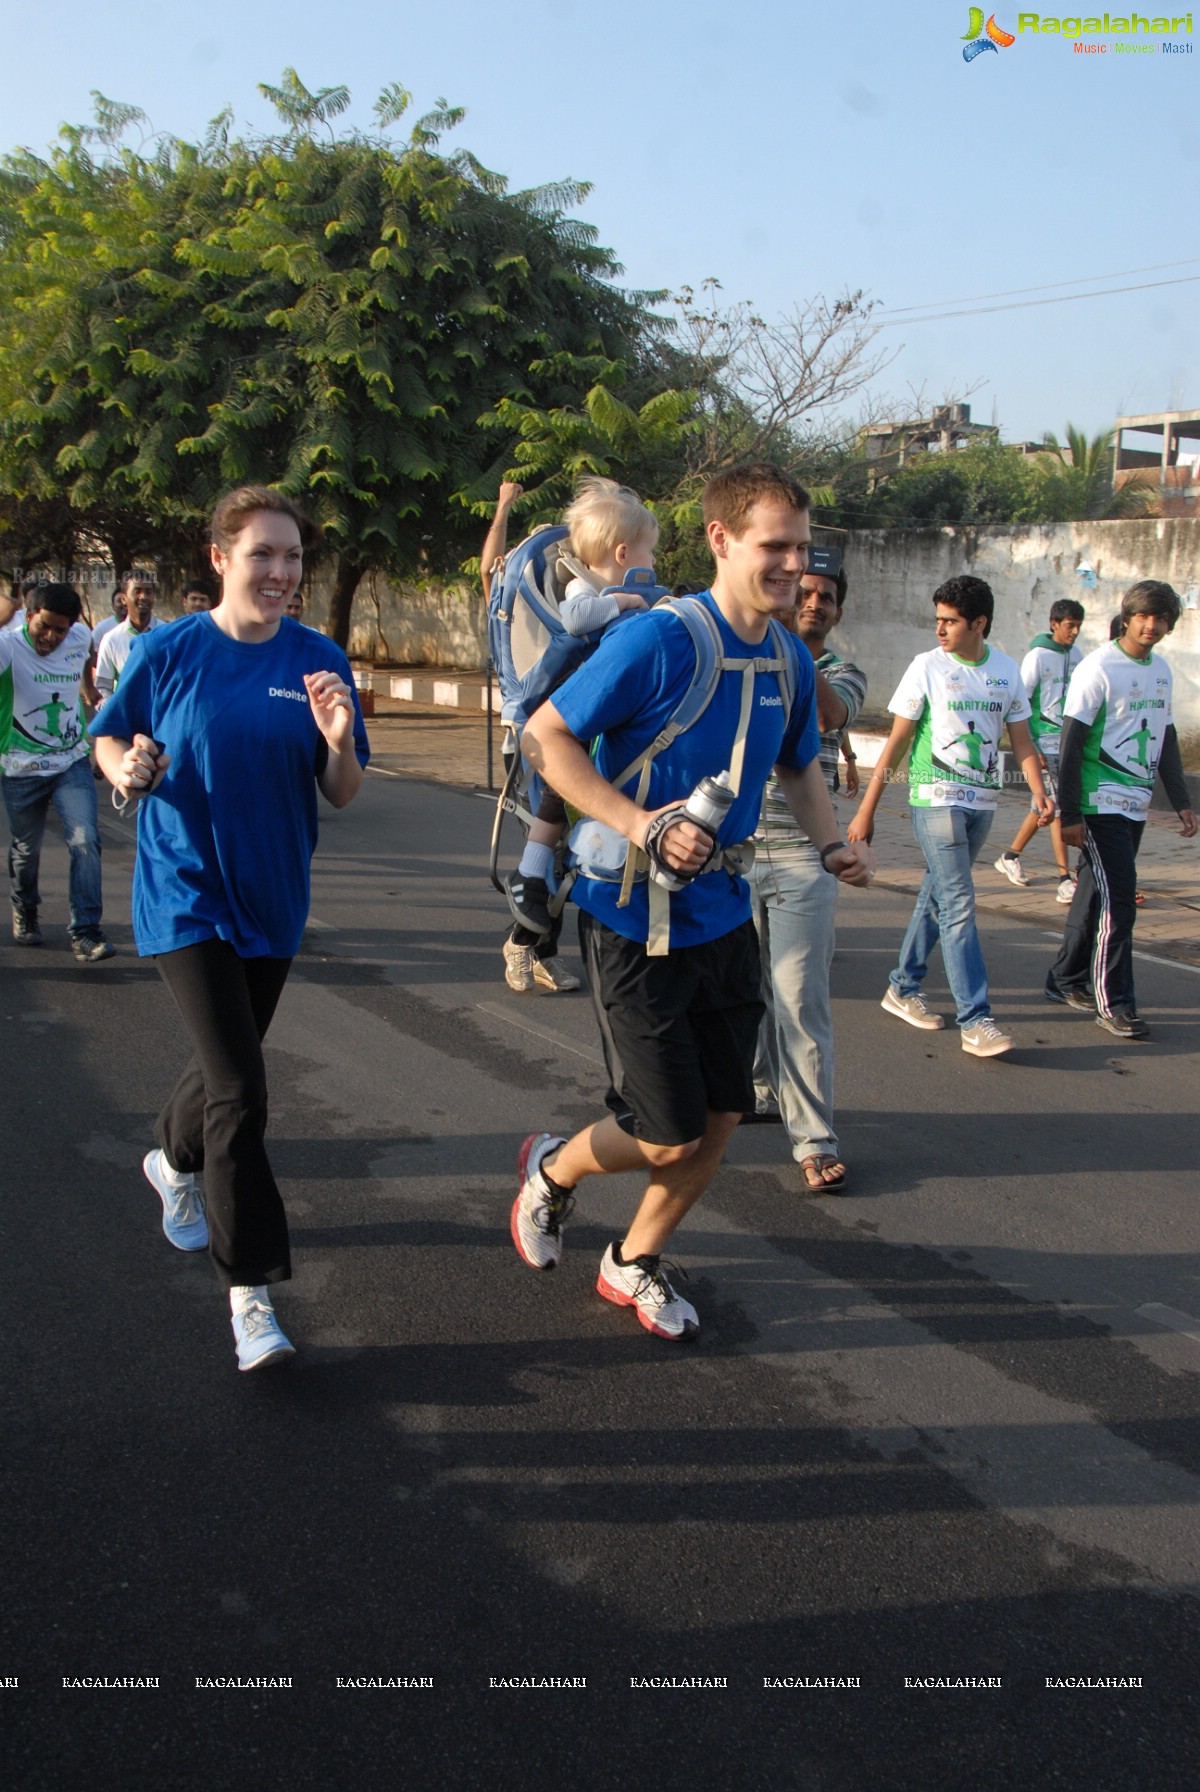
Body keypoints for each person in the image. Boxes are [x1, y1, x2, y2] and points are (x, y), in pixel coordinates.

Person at [511, 464, 874, 1340]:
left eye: (801, 547)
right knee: (668, 1134)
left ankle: (632, 1260)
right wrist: (639, 822)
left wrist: (830, 844)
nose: (793, 566)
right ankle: (555, 1168)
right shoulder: (661, 640)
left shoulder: (789, 654)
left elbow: (795, 763)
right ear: (720, 539)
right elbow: (545, 735)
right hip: (632, 917)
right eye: (773, 546)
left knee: (719, 1121)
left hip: (723, 917)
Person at [91, 486, 369, 1371]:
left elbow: (344, 789)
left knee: (222, 1070)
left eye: (293, 558)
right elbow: (109, 740)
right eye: (264, 555)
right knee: (242, 1092)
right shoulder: (169, 650)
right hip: (184, 896)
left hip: (274, 901)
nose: (283, 573)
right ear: (220, 558)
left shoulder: (318, 658)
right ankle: (250, 1292)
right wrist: (126, 766)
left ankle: (171, 1162)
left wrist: (334, 737)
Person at [849, 575, 1052, 1058]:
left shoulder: (1005, 672)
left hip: (981, 803)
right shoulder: (926, 667)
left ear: (979, 623)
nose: (940, 629)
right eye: (937, 620)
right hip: (934, 796)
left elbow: (1021, 740)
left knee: (939, 896)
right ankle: (976, 1019)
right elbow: (896, 742)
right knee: (960, 901)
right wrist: (866, 809)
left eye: (950, 621)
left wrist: (1039, 792)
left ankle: (902, 986)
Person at [502, 475, 662, 964]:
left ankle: (536, 931)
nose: (652, 564)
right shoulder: (581, 585)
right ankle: (528, 878)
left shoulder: (598, 587)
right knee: (560, 793)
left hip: (579, 719)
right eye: (648, 553)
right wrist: (627, 601)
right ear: (621, 553)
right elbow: (577, 621)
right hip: (554, 727)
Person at [748, 545, 867, 1191]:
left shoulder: (843, 670)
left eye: (825, 597)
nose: (814, 602)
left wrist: (784, 643)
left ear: (837, 611)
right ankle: (762, 1089)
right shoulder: (749, 651)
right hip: (736, 849)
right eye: (806, 592)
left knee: (799, 997)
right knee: (745, 988)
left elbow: (827, 714)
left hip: (803, 854)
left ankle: (814, 1139)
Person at [1045, 581, 1196, 1039]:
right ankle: (1115, 1003)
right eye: (1144, 616)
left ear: (1170, 624)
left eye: (1161, 618)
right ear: (1127, 617)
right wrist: (1070, 814)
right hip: (1098, 802)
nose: (1152, 626)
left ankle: (1065, 979)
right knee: (1120, 902)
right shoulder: (1099, 668)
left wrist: (1183, 801)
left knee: (1095, 893)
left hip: (1134, 803)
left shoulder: (1162, 670)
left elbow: (1165, 737)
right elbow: (1070, 747)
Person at [479, 480, 583, 995]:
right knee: (549, 840)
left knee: (561, 847)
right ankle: (523, 944)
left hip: (569, 726)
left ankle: (539, 948)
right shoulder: (525, 604)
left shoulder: (572, 609)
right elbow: (488, 568)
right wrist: (503, 508)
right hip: (530, 734)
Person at [1, 583, 113, 960]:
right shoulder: (8, 647)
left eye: (60, 630)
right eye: (44, 626)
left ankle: (85, 931)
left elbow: (83, 656)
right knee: (25, 850)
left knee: (85, 840)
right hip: (20, 766)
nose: (51, 637)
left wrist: (86, 690)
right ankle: (26, 907)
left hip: (70, 761)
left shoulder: (79, 636)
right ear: (28, 616)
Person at [993, 598, 1085, 901]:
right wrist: (1031, 745)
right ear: (1054, 623)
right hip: (1043, 742)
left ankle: (1010, 856)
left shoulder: (1079, 656)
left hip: (1069, 742)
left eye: (1078, 626)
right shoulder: (1037, 657)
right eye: (1069, 625)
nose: (1074, 632)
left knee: (1044, 804)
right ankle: (1064, 878)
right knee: (1058, 808)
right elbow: (1021, 703)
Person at [94, 573, 160, 702]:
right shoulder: (111, 640)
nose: (143, 597)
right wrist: (116, 713)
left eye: (148, 592)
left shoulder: (168, 634)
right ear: (124, 599)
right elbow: (102, 687)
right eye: (137, 591)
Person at [90, 586, 128, 654]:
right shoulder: (102, 628)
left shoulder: (143, 626)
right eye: (119, 601)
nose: (124, 604)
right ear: (113, 606)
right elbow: (93, 651)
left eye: (126, 600)